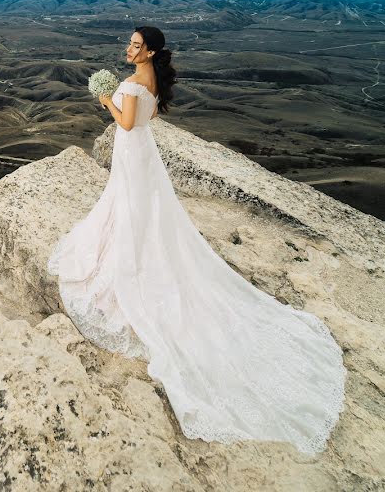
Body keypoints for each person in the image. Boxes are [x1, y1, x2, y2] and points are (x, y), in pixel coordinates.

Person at [46, 25, 347, 455]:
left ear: (148, 51)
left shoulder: (132, 83)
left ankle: (128, 268)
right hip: (144, 155)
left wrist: (105, 101)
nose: (127, 49)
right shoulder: (151, 80)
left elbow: (127, 125)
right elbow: (146, 120)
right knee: (140, 212)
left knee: (131, 211)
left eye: (134, 45)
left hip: (134, 152)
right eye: (129, 44)